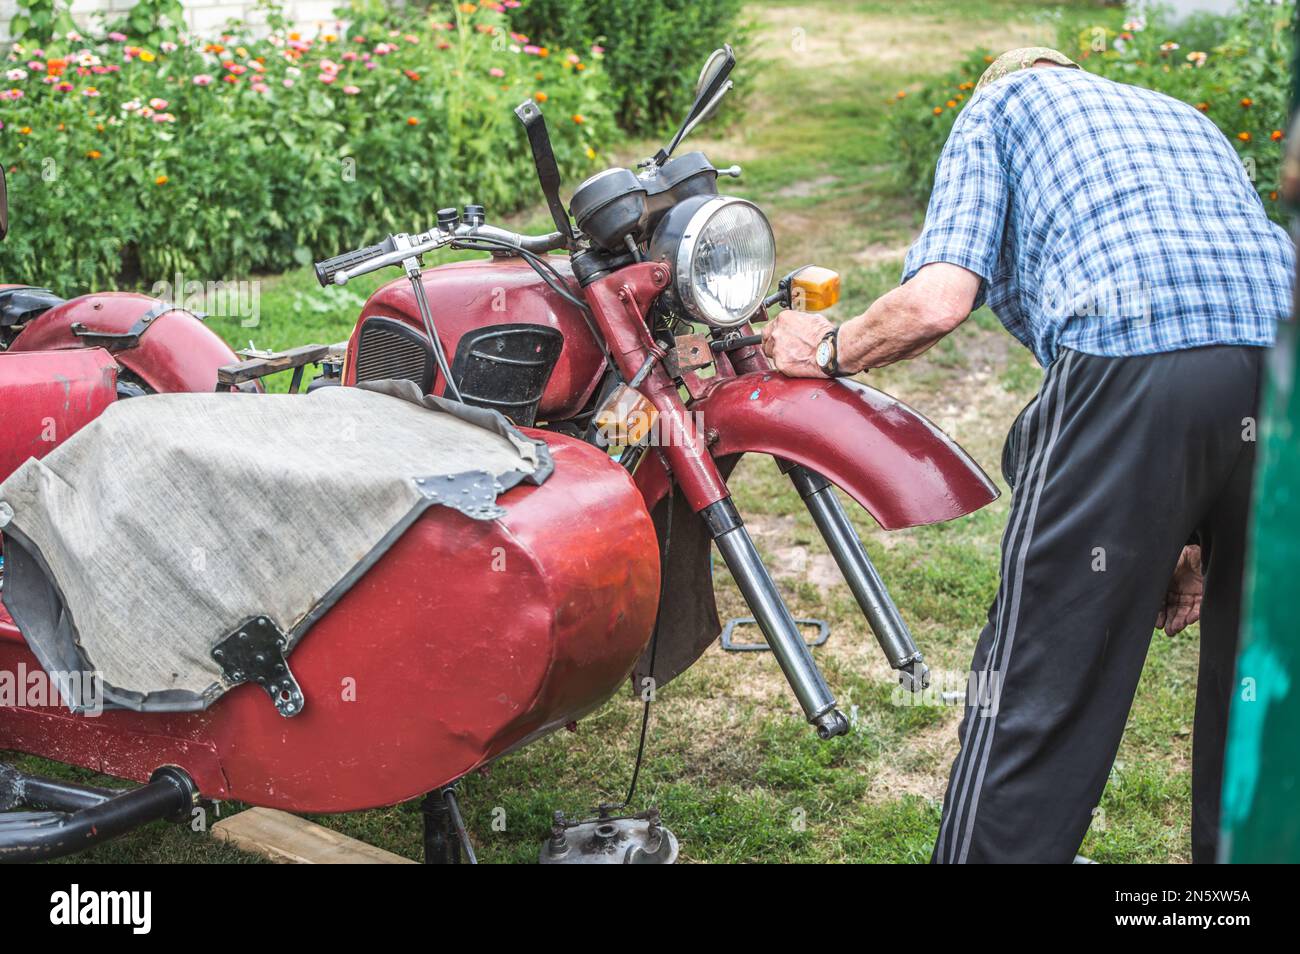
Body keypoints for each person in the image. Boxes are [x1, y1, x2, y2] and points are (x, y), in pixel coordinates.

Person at [761, 47, 1293, 863]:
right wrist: (1185, 529)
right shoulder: (1184, 118)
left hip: (1135, 362)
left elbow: (939, 301)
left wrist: (829, 349)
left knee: (1040, 681)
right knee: (1264, 692)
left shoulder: (1002, 108)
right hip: (1281, 369)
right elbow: (1218, 337)